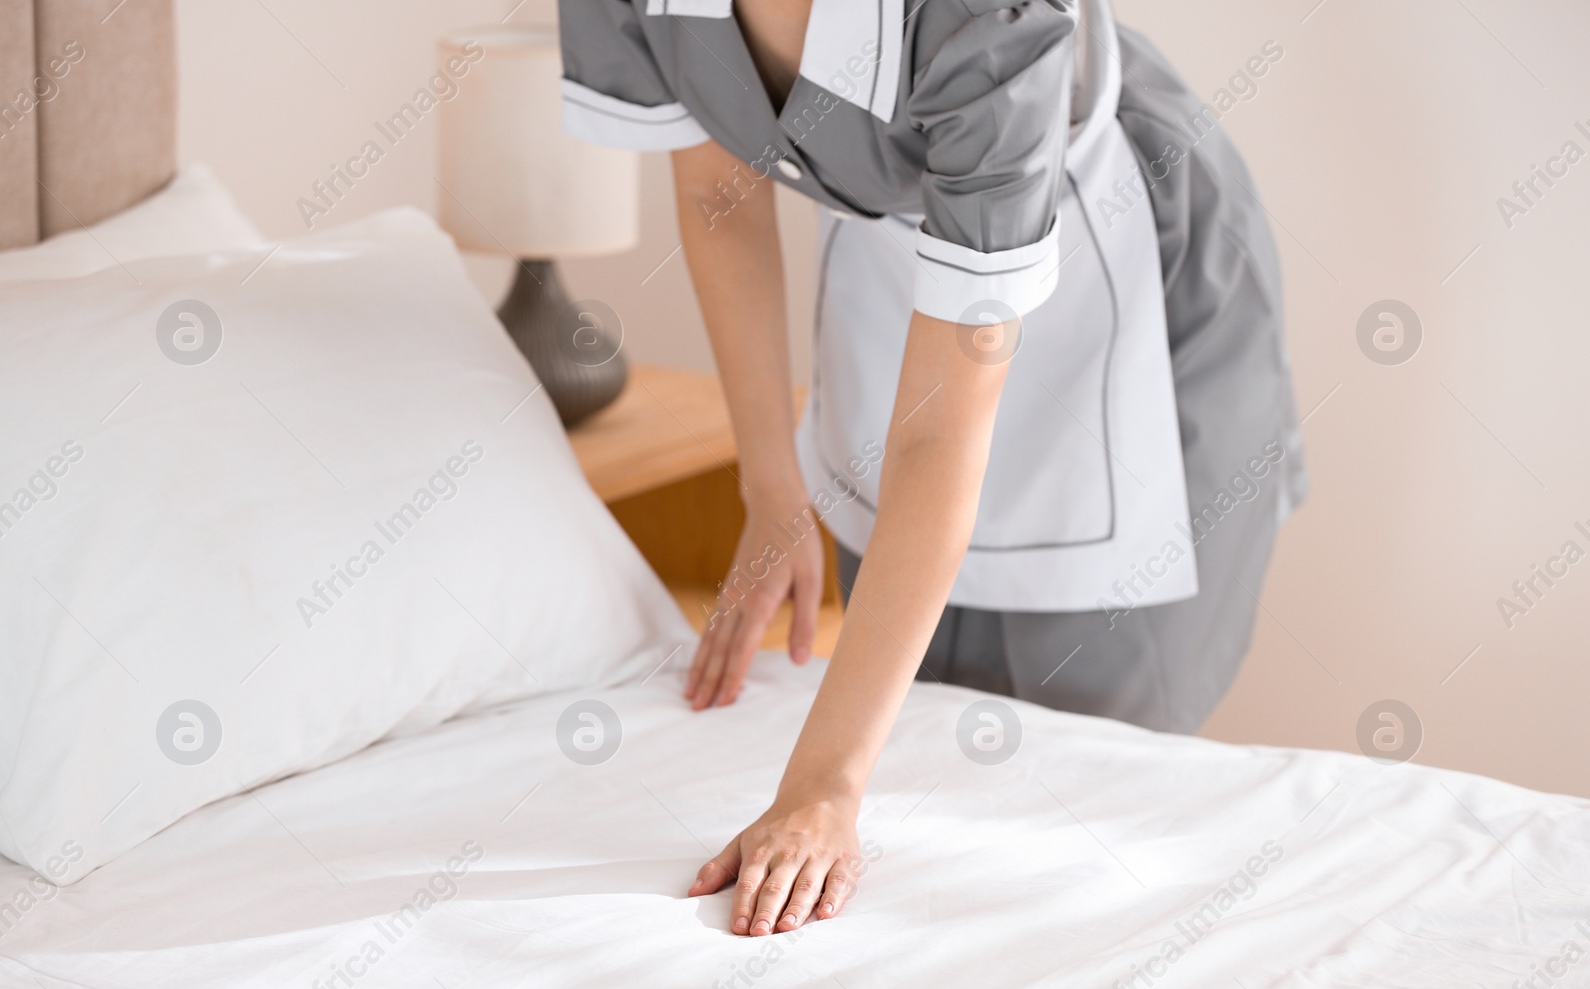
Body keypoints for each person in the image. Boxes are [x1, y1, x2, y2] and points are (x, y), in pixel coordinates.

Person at [557, 0, 1306, 937]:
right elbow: (719, 185)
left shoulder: (989, 20)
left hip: (1114, 260)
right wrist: (769, 486)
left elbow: (935, 437)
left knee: (1082, 773)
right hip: (897, 251)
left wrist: (820, 788)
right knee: (921, 720)